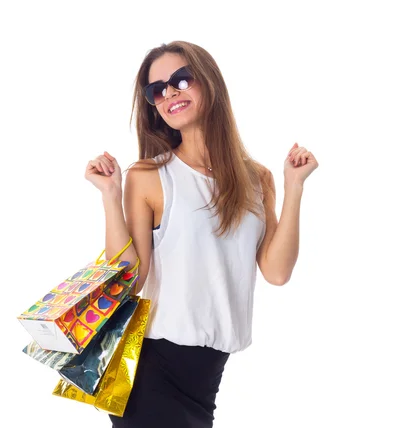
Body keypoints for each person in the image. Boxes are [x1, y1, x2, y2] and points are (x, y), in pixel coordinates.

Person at [84, 41, 318, 428]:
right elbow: (132, 278)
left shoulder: (257, 178)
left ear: (209, 81)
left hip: (206, 380)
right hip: (152, 370)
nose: (170, 93)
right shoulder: (148, 176)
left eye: (181, 79)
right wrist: (110, 196)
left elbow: (276, 272)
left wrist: (294, 187)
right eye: (157, 90)